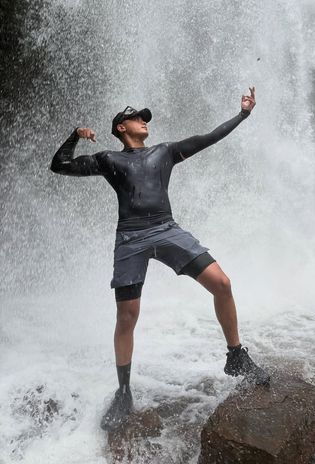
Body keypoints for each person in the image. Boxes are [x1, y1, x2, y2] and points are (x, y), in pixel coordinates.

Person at [50, 86, 269, 431]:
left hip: (167, 230)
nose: (143, 121)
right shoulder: (110, 159)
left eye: (144, 118)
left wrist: (243, 114)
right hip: (131, 237)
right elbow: (59, 165)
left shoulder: (164, 152)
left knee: (222, 284)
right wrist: (76, 135)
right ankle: (124, 391)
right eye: (136, 117)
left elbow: (208, 138)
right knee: (127, 314)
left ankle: (236, 356)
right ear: (121, 127)